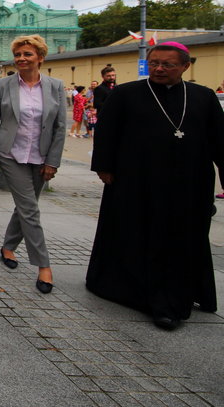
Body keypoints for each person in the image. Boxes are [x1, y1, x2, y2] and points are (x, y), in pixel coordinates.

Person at [86, 41, 224, 330]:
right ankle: (146, 296)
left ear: (185, 66)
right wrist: (104, 167)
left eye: (168, 64)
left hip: (190, 184)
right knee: (138, 233)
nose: (159, 68)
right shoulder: (126, 94)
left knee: (182, 239)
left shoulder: (204, 97)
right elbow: (107, 133)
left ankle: (177, 293)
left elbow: (219, 142)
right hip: (136, 181)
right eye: (154, 63)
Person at [0, 35, 66, 294]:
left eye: (27, 54)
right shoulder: (4, 85)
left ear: (40, 57)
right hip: (11, 154)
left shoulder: (55, 86)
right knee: (30, 208)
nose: (21, 59)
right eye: (18, 55)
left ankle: (8, 246)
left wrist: (53, 161)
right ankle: (44, 266)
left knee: (26, 206)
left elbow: (60, 126)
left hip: (41, 156)